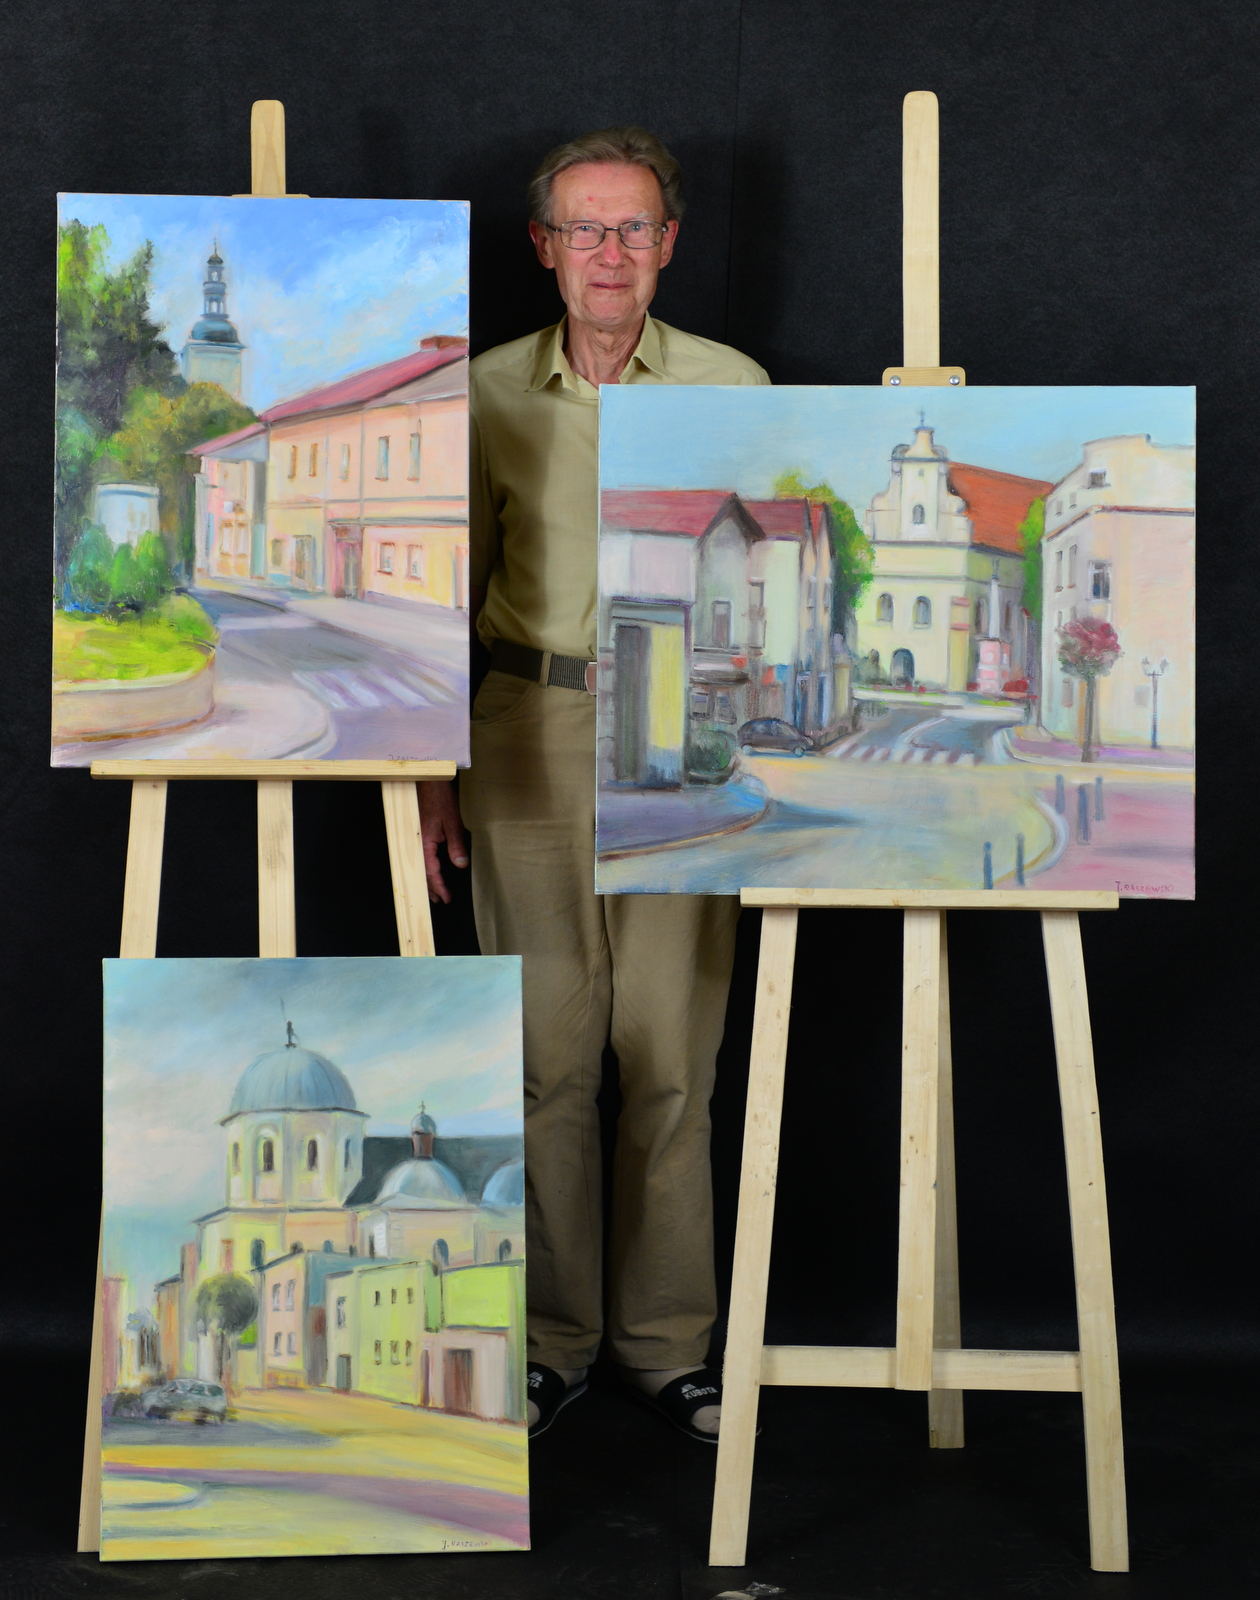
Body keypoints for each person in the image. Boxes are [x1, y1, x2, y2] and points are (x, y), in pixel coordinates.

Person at [420, 127, 769, 1441]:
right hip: (528, 729)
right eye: (585, 227)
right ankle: (550, 1345)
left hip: (689, 731)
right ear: (544, 246)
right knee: (544, 1053)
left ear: (667, 245)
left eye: (633, 228)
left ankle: (668, 1348)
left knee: (671, 1049)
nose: (609, 252)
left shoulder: (737, 387)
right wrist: (433, 772)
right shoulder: (484, 394)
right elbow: (439, 595)